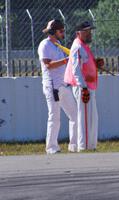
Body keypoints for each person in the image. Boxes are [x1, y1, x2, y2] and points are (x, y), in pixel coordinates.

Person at [37, 19, 78, 154]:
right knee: (54, 117)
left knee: (74, 114)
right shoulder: (45, 45)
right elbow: (48, 65)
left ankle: (74, 146)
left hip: (63, 85)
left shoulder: (58, 44)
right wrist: (67, 59)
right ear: (54, 32)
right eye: (61, 31)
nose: (63, 33)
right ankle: (51, 147)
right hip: (52, 87)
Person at [64, 21, 103, 151]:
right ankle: (84, 146)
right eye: (86, 31)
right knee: (85, 117)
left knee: (92, 117)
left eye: (89, 31)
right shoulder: (77, 47)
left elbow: (84, 64)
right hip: (83, 87)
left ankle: (91, 145)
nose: (89, 33)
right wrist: (83, 87)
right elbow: (76, 69)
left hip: (88, 86)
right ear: (78, 33)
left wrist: (94, 63)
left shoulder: (83, 46)